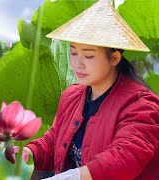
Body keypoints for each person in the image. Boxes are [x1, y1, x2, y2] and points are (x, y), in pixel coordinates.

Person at [24, 1, 159, 180]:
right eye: (73, 53)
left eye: (88, 56)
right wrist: (28, 153)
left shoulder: (142, 106)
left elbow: (123, 159)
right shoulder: (71, 96)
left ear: (115, 58)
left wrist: (72, 177)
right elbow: (54, 140)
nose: (77, 64)